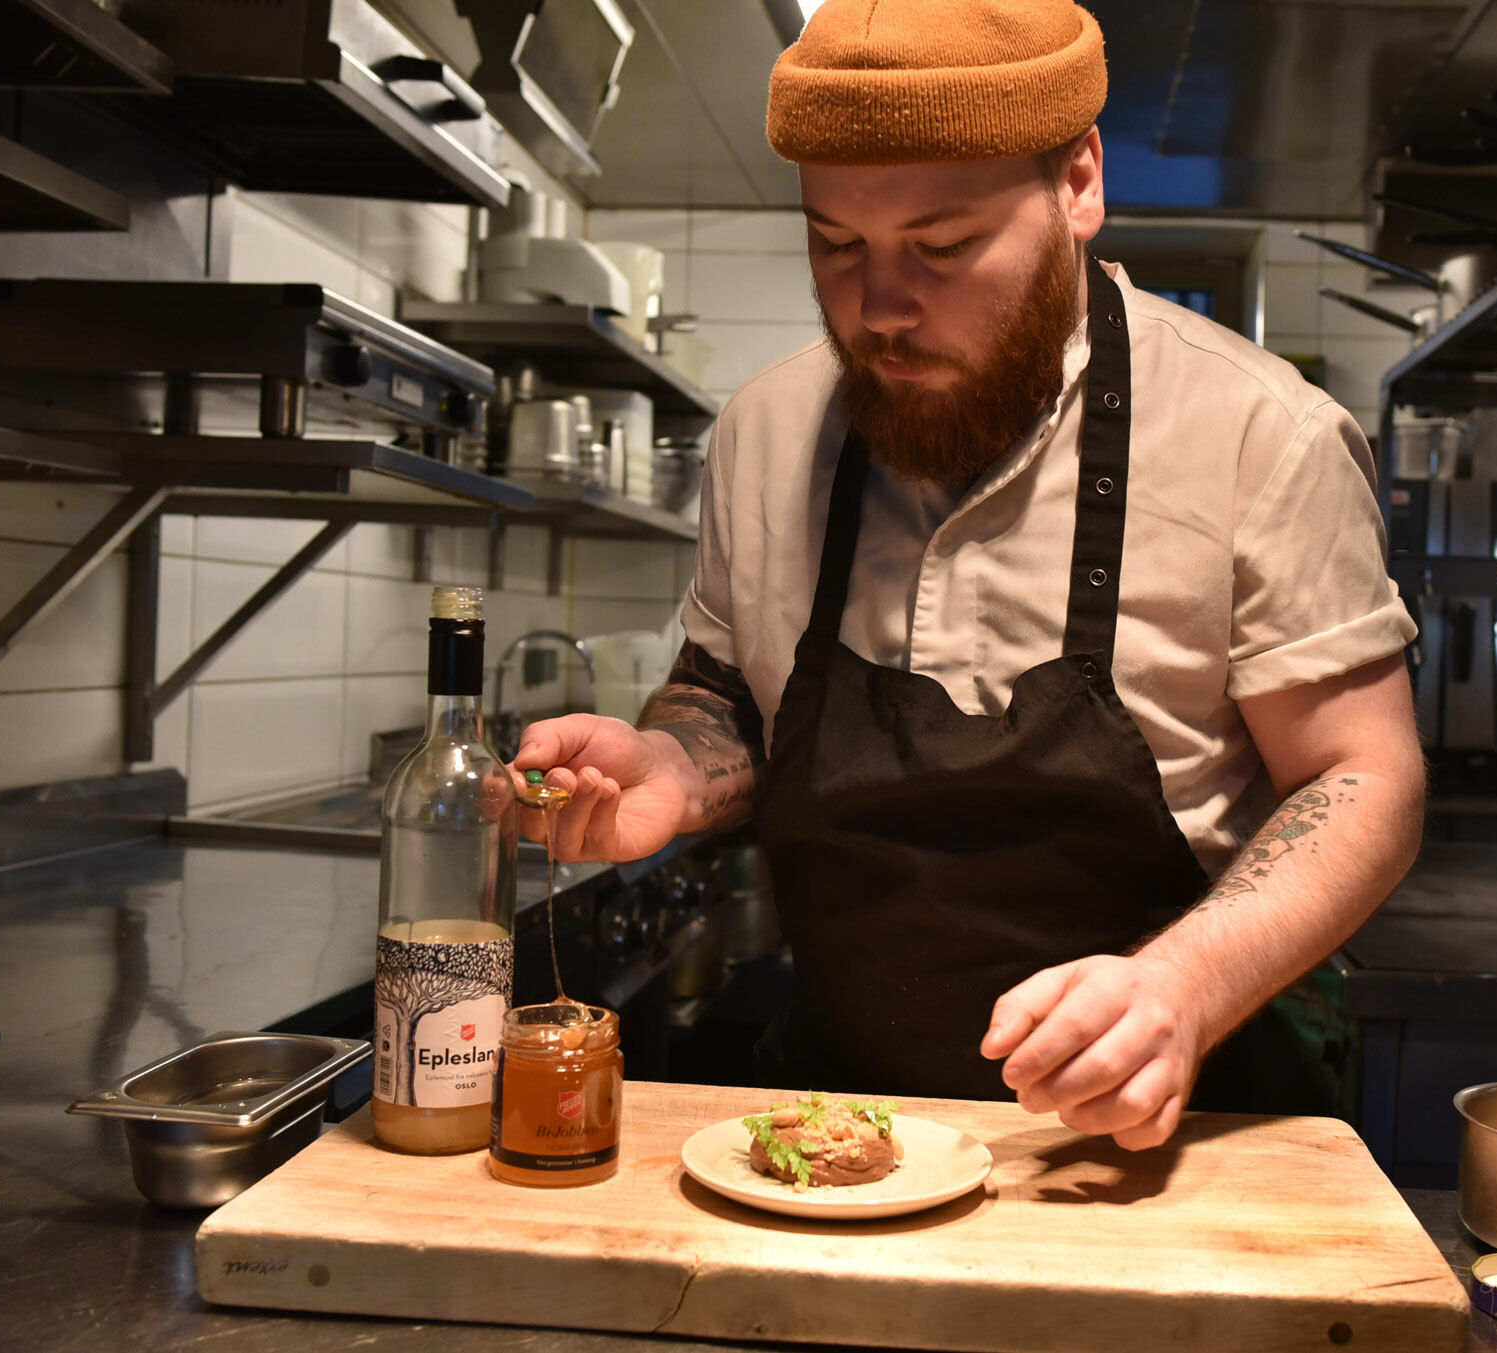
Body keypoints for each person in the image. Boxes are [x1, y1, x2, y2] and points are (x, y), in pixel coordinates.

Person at [514, 0, 1424, 1151]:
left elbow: (1362, 778)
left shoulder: (1259, 437)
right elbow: (725, 692)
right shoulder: (764, 432)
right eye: (834, 246)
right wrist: (667, 766)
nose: (879, 309)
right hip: (836, 1119)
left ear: (1077, 184)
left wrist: (1183, 987)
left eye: (941, 247)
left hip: (1171, 1136)